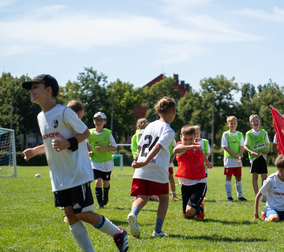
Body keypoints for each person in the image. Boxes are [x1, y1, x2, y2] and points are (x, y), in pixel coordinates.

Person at [22, 74, 128, 252]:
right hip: (58, 175)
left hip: (76, 172)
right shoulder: (40, 117)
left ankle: (118, 233)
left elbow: (85, 133)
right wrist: (34, 151)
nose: (31, 90)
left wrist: (67, 143)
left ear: (49, 90)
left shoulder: (64, 112)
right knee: (70, 214)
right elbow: (50, 143)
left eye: (35, 86)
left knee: (83, 213)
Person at [127, 96, 176, 238]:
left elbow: (140, 146)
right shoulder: (168, 130)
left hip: (141, 168)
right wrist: (146, 162)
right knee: (164, 198)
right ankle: (158, 231)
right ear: (173, 112)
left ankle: (133, 213)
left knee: (142, 196)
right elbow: (158, 146)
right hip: (156, 167)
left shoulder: (149, 125)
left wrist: (138, 162)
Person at [173, 125, 213, 219]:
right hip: (185, 183)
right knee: (186, 216)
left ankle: (199, 209)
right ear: (180, 137)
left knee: (190, 211)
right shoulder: (181, 146)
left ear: (195, 137)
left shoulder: (197, 146)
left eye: (190, 139)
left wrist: (207, 162)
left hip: (199, 182)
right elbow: (175, 151)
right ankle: (197, 208)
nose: (187, 141)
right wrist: (191, 146)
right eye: (185, 139)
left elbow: (201, 153)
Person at [88, 112, 117, 209]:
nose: (98, 122)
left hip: (107, 162)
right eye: (96, 120)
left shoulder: (108, 133)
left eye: (100, 120)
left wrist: (103, 149)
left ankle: (106, 195)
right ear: (93, 121)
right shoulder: (89, 133)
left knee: (106, 182)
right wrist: (88, 152)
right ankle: (100, 204)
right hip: (95, 161)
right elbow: (85, 145)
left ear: (105, 122)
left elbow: (114, 146)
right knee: (97, 181)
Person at [244, 114, 270, 202]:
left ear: (259, 122)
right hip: (254, 158)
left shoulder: (264, 132)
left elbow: (268, 144)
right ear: (251, 123)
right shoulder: (248, 133)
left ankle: (264, 195)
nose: (256, 122)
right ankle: (256, 195)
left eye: (257, 120)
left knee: (264, 177)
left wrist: (267, 151)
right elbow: (245, 145)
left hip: (263, 157)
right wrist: (252, 152)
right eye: (253, 121)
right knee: (255, 176)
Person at [221, 116, 247, 201]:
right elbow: (225, 147)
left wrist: (239, 155)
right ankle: (229, 196)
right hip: (229, 160)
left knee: (238, 177)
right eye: (231, 123)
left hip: (237, 160)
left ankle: (240, 196)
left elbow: (241, 146)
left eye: (234, 123)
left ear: (237, 124)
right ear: (227, 124)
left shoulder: (240, 134)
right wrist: (234, 155)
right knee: (228, 177)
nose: (233, 125)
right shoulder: (225, 134)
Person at [193, 125, 211, 200]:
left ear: (200, 132)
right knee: (194, 180)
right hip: (194, 166)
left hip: (203, 165)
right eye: (194, 133)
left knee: (203, 181)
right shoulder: (191, 142)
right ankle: (194, 194)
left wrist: (205, 159)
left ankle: (203, 195)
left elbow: (208, 152)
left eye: (197, 133)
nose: (196, 135)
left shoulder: (205, 141)